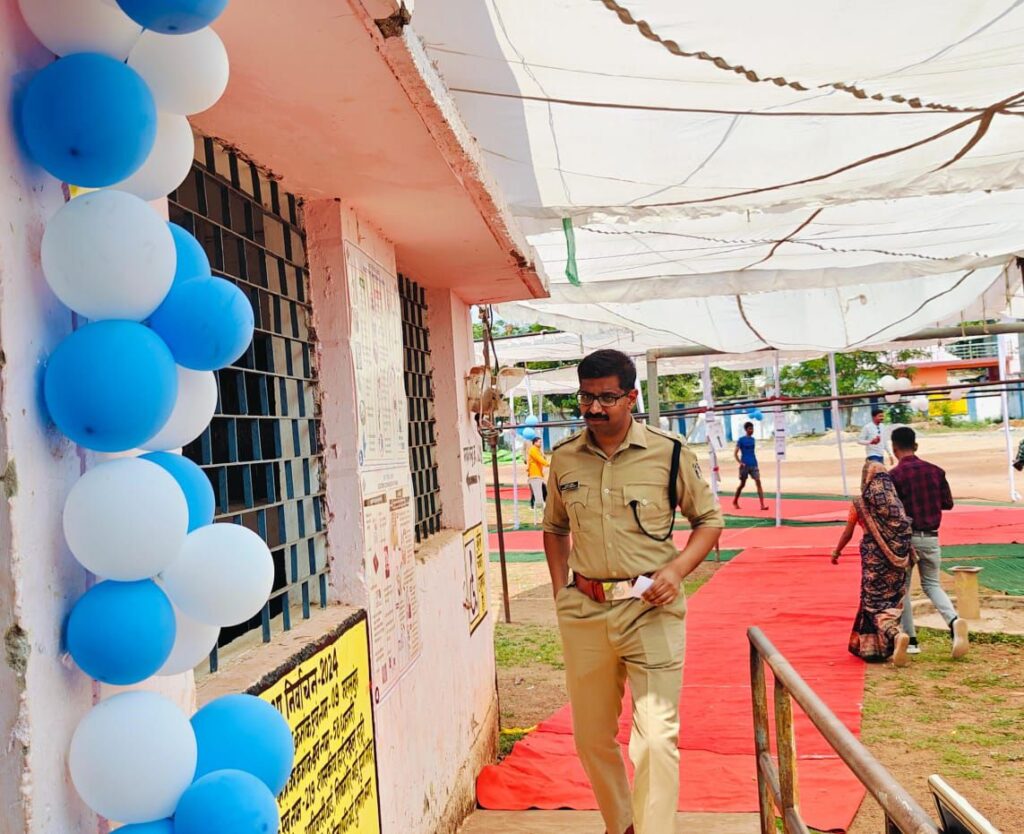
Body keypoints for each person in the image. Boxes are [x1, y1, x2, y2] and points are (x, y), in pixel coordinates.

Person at [543, 349, 723, 834]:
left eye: (607, 397)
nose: (594, 408)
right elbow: (555, 528)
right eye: (586, 397)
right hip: (586, 611)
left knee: (656, 738)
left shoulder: (669, 452)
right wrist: (561, 592)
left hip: (651, 608)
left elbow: (709, 521)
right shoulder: (564, 457)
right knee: (591, 738)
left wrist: (677, 571)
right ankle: (621, 825)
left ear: (631, 397)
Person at [889, 426, 969, 659]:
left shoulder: (894, 476)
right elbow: (947, 503)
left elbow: (892, 511)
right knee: (932, 584)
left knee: (903, 590)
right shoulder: (936, 471)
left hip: (906, 539)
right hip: (931, 537)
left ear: (894, 449)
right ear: (916, 446)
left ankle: (911, 640)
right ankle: (953, 621)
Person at [831, 461, 912, 666]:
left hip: (873, 560)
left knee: (873, 603)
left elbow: (848, 532)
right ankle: (882, 644)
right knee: (891, 600)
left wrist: (836, 551)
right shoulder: (895, 503)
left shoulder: (860, 504)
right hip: (897, 562)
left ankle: (894, 636)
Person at [732, 421, 768, 511]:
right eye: (749, 429)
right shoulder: (741, 440)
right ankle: (735, 501)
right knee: (742, 484)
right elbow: (735, 453)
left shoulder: (753, 440)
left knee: (758, 482)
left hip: (754, 464)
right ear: (746, 429)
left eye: (752, 429)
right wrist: (740, 462)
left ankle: (762, 505)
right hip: (744, 465)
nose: (751, 430)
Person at [526, 435, 550, 523]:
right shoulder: (533, 450)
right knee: (539, 491)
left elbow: (541, 458)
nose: (541, 443)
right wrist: (548, 464)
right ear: (535, 442)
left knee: (541, 491)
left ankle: (537, 506)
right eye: (539, 442)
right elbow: (539, 459)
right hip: (534, 475)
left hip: (538, 474)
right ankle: (535, 506)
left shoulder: (537, 450)